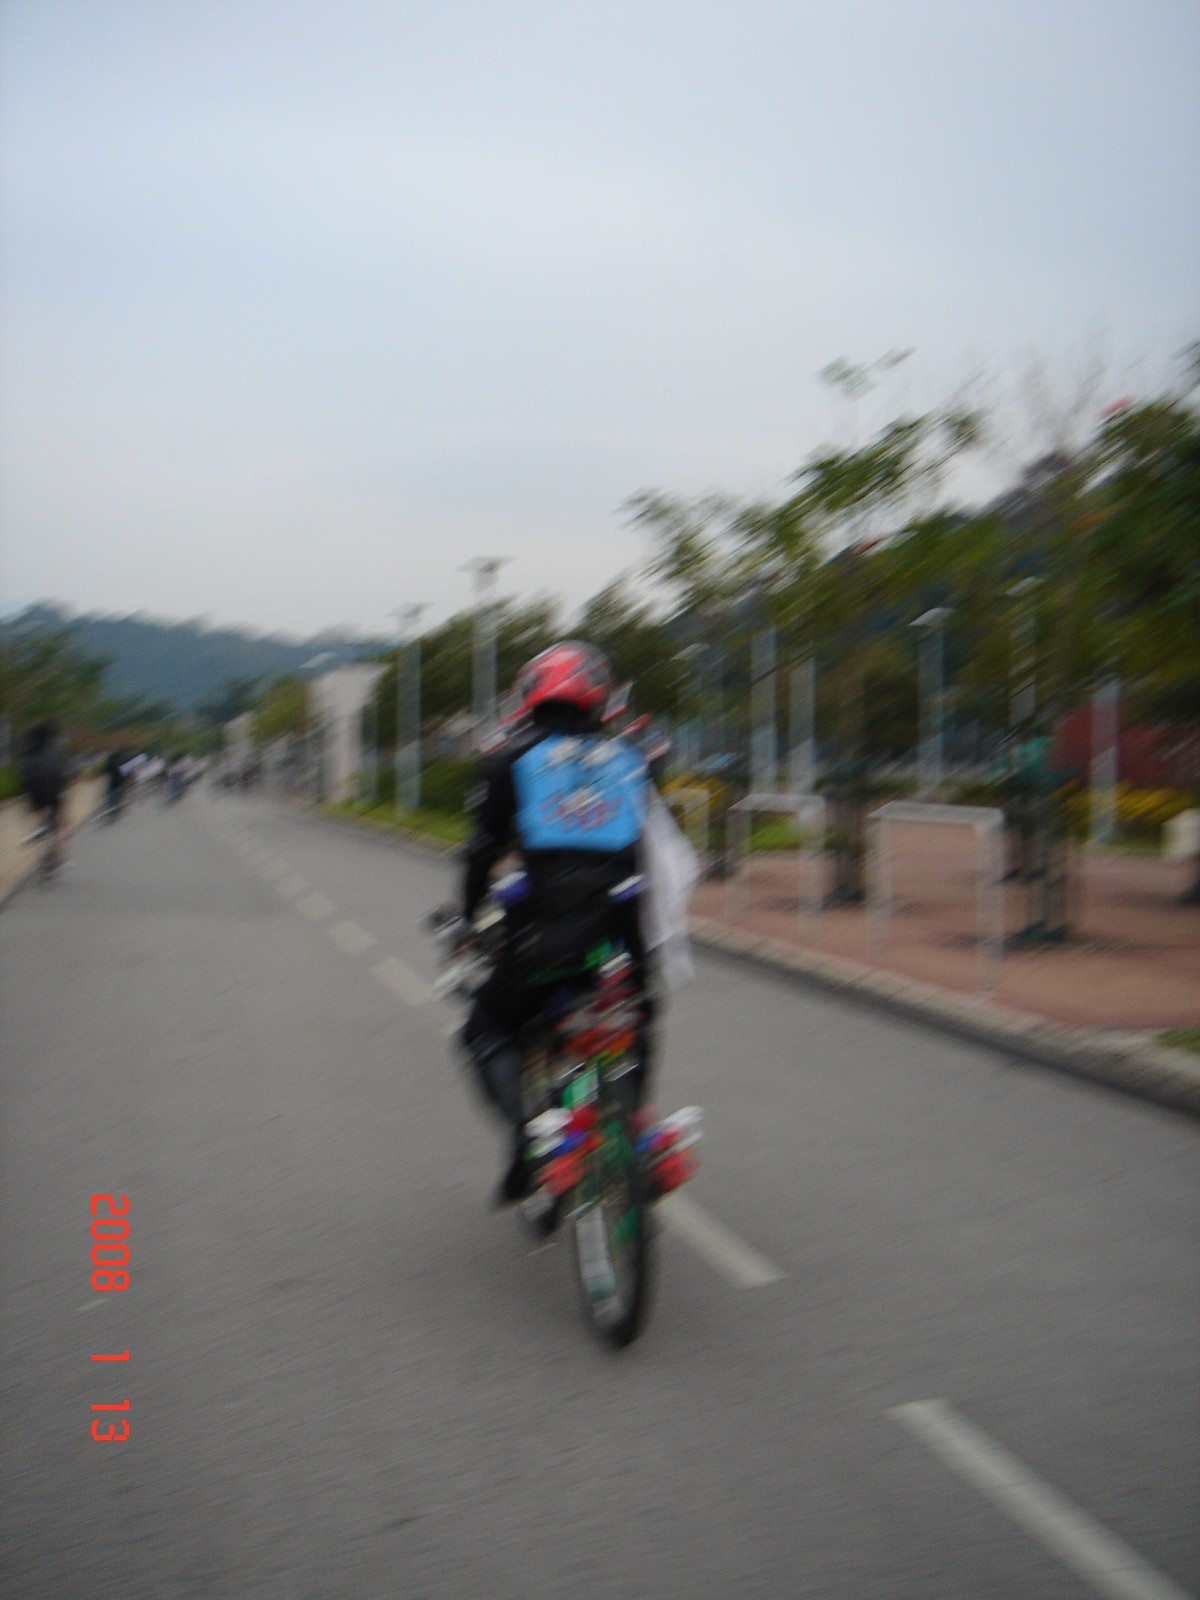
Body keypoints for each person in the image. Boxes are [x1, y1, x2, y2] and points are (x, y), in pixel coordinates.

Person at [458, 641, 658, 1206]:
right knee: (638, 1016)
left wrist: (470, 917)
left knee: (483, 1030)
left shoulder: (511, 761)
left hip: (542, 942)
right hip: (622, 938)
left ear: (531, 697)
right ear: (598, 694)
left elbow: (481, 852)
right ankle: (635, 1127)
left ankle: (529, 1140)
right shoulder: (632, 759)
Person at [20, 722, 70, 872]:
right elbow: (63, 773)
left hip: (34, 793)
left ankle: (38, 830)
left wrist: (25, 796)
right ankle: (56, 856)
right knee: (60, 824)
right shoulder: (55, 751)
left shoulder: (28, 751)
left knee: (38, 814)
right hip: (54, 792)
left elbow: (24, 775)